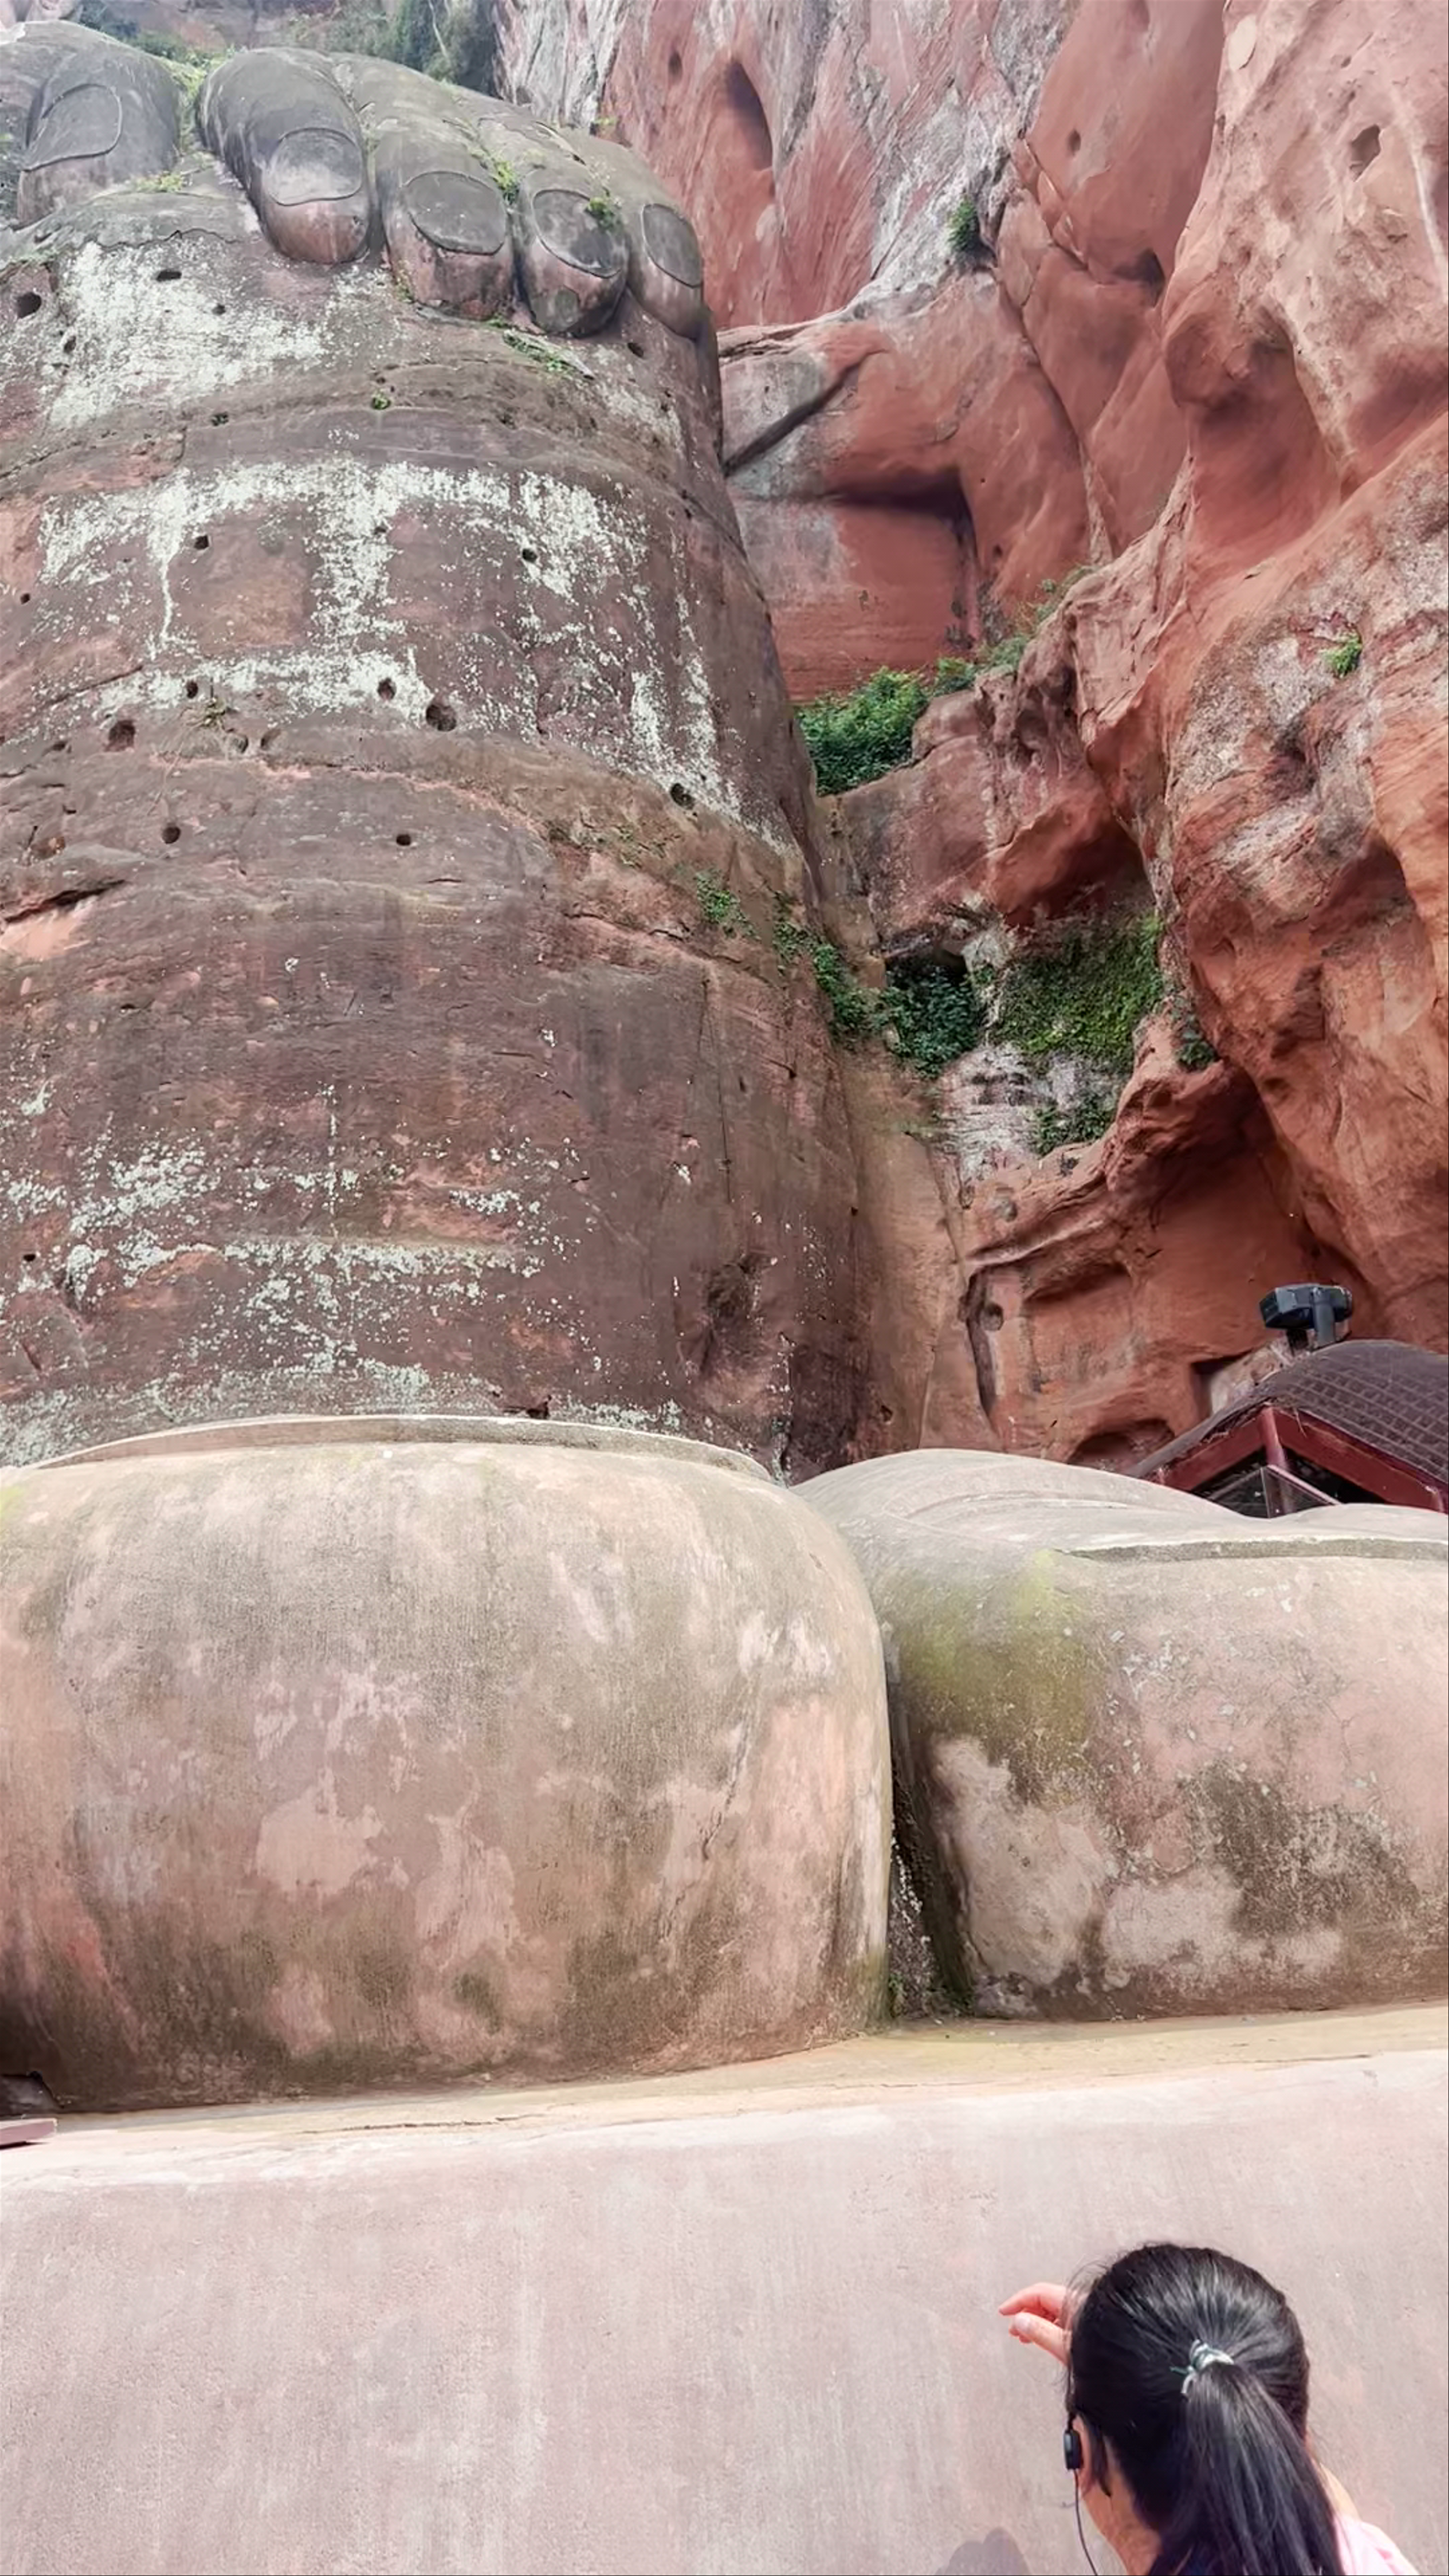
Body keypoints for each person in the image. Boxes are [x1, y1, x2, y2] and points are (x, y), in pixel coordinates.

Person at [1000, 2243, 1415, 2576]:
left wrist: (1122, 2358)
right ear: (1295, 2443)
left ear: (1081, 2453)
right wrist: (1127, 2356)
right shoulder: (1365, 2556)